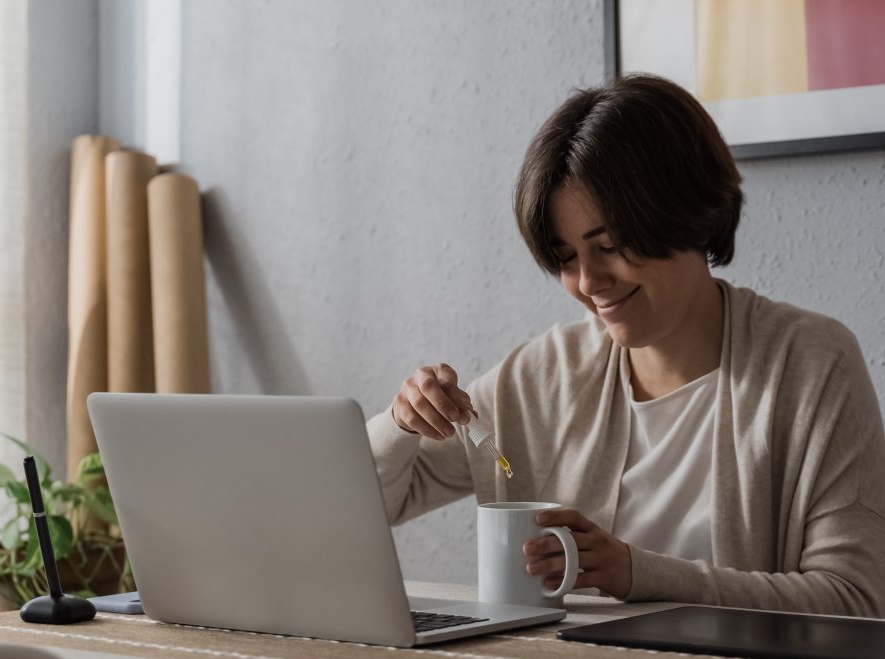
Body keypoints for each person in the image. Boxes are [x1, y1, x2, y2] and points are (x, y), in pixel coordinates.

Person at [366, 74, 885, 617]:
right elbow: (368, 504)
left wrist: (639, 573)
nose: (588, 282)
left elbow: (852, 599)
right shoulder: (536, 382)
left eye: (609, 245)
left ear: (686, 212)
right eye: (566, 257)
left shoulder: (811, 365)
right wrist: (401, 425)